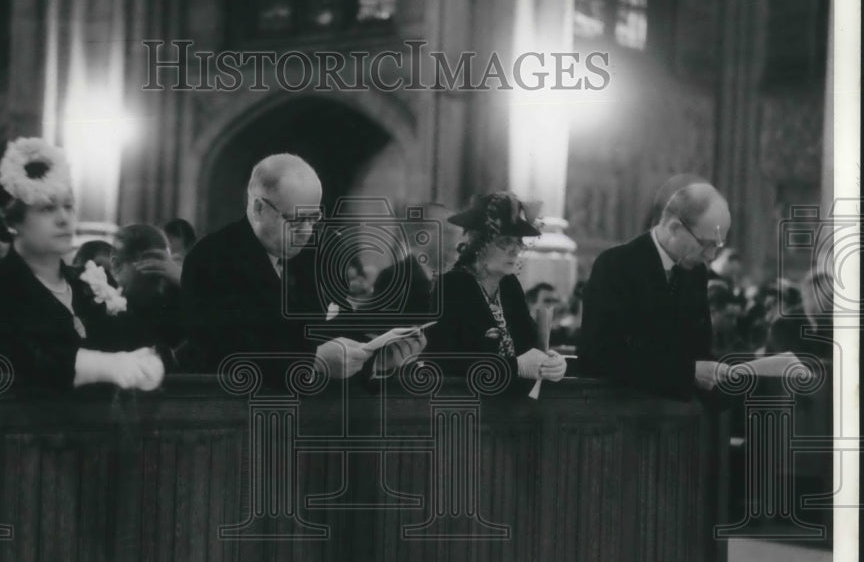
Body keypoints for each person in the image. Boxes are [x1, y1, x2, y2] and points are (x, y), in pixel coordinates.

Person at [0, 137, 164, 393]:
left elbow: (140, 341)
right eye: (47, 208)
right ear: (12, 221)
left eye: (68, 206)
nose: (64, 219)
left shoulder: (91, 282)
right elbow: (15, 356)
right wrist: (103, 366)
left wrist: (150, 363)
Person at [180, 153, 424, 382]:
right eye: (296, 220)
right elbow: (220, 351)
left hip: (319, 411)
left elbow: (340, 328)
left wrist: (378, 358)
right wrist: (311, 363)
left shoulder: (323, 251)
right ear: (258, 208)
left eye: (313, 218)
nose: (307, 232)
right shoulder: (211, 258)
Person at [578, 180, 733, 397]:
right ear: (675, 228)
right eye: (705, 244)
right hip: (619, 407)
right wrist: (687, 372)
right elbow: (598, 352)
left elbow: (698, 348)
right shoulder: (615, 264)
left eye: (717, 246)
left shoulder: (695, 272)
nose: (711, 256)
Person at [424, 192, 567, 382]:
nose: (516, 249)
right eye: (506, 241)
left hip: (512, 404)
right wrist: (514, 367)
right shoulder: (452, 286)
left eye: (518, 242)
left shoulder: (509, 285)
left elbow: (529, 343)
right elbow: (444, 361)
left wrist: (551, 361)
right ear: (479, 243)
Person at [108, 223, 187, 363]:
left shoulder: (173, 300)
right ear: (116, 265)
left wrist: (183, 279)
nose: (159, 284)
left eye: (164, 268)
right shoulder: (98, 305)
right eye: (150, 269)